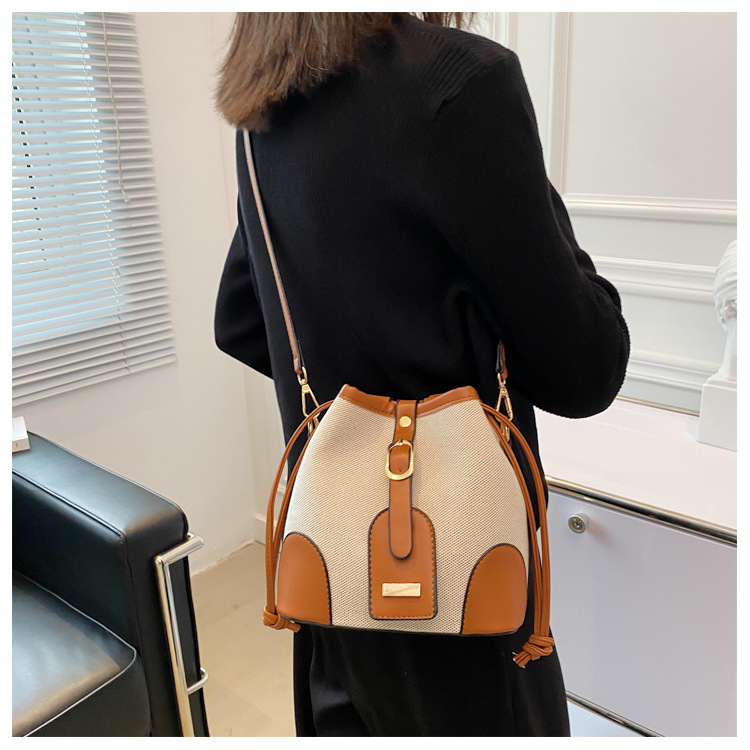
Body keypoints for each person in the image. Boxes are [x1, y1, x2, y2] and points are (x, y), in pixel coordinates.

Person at [214, 12, 629, 737]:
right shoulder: (463, 83)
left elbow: (240, 320)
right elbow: (586, 368)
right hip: (464, 589)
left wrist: (356, 418)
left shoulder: (263, 103)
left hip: (334, 572)